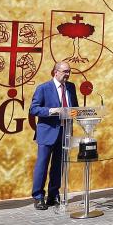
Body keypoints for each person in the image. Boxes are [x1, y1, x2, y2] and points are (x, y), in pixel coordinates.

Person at [28, 61, 78, 210]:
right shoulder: (43, 88)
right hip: (47, 132)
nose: (67, 75)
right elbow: (34, 109)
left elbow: (74, 107)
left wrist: (76, 113)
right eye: (65, 72)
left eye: (69, 72)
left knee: (58, 165)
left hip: (65, 132)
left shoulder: (71, 87)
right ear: (55, 72)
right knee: (42, 165)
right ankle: (38, 196)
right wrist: (52, 111)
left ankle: (53, 195)